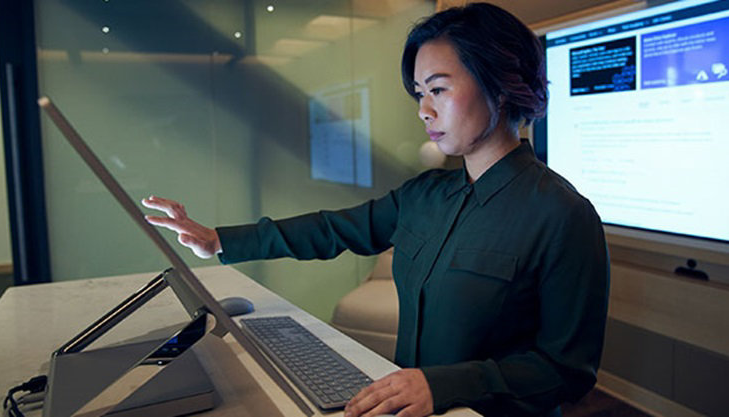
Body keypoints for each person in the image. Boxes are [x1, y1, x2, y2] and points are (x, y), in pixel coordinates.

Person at [143, 3, 610, 417]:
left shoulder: (563, 215)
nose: (424, 110)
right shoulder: (425, 194)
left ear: (500, 84)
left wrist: (442, 385)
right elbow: (331, 230)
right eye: (419, 93)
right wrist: (219, 239)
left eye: (439, 89)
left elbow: (566, 370)